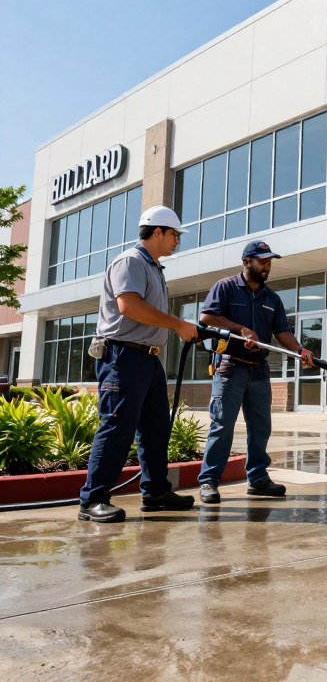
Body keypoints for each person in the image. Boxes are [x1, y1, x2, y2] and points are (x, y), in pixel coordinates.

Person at [78, 206, 199, 523]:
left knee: (156, 429)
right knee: (117, 427)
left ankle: (156, 493)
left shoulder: (154, 267)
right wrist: (177, 324)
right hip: (123, 357)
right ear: (157, 232)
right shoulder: (130, 261)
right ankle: (92, 500)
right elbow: (129, 305)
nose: (177, 241)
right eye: (174, 234)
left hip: (148, 359)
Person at [197, 241, 314, 503]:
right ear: (247, 262)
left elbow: (282, 331)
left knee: (261, 427)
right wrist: (241, 330)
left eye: (269, 262)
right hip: (230, 366)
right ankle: (209, 481)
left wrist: (300, 349)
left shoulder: (271, 298)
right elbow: (207, 318)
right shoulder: (226, 287)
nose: (267, 266)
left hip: (260, 370)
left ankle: (258, 479)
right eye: (263, 261)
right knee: (222, 426)